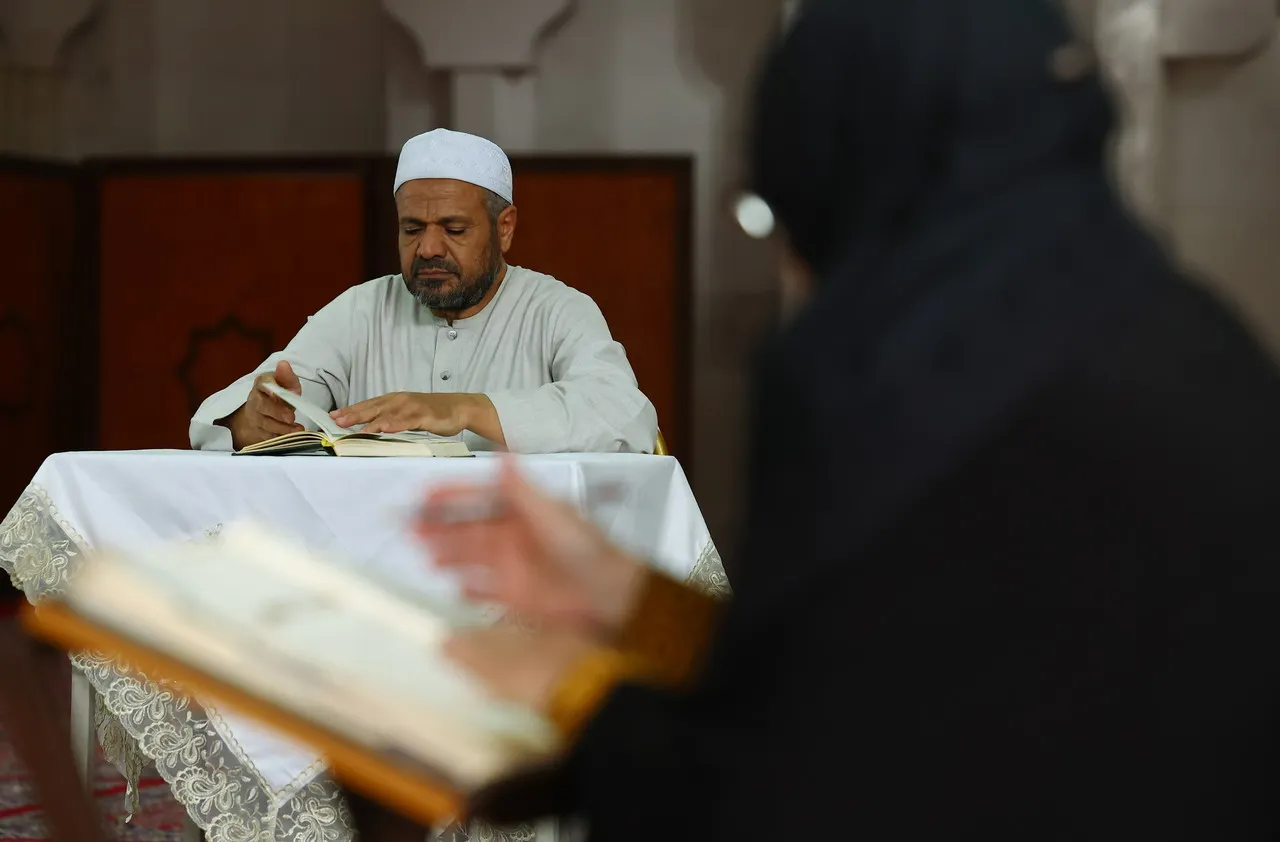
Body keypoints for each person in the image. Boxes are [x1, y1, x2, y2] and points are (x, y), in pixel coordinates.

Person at [413, 0, 1280, 838]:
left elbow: (820, 792)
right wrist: (633, 600)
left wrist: (585, 715)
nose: (799, 261)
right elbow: (890, 670)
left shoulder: (920, 404)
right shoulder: (1177, 337)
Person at [190, 129, 658, 455]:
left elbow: (625, 416)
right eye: (412, 229)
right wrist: (254, 421)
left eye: (453, 229)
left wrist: (462, 408)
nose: (428, 248)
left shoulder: (557, 311)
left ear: (505, 228)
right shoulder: (362, 310)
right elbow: (262, 404)